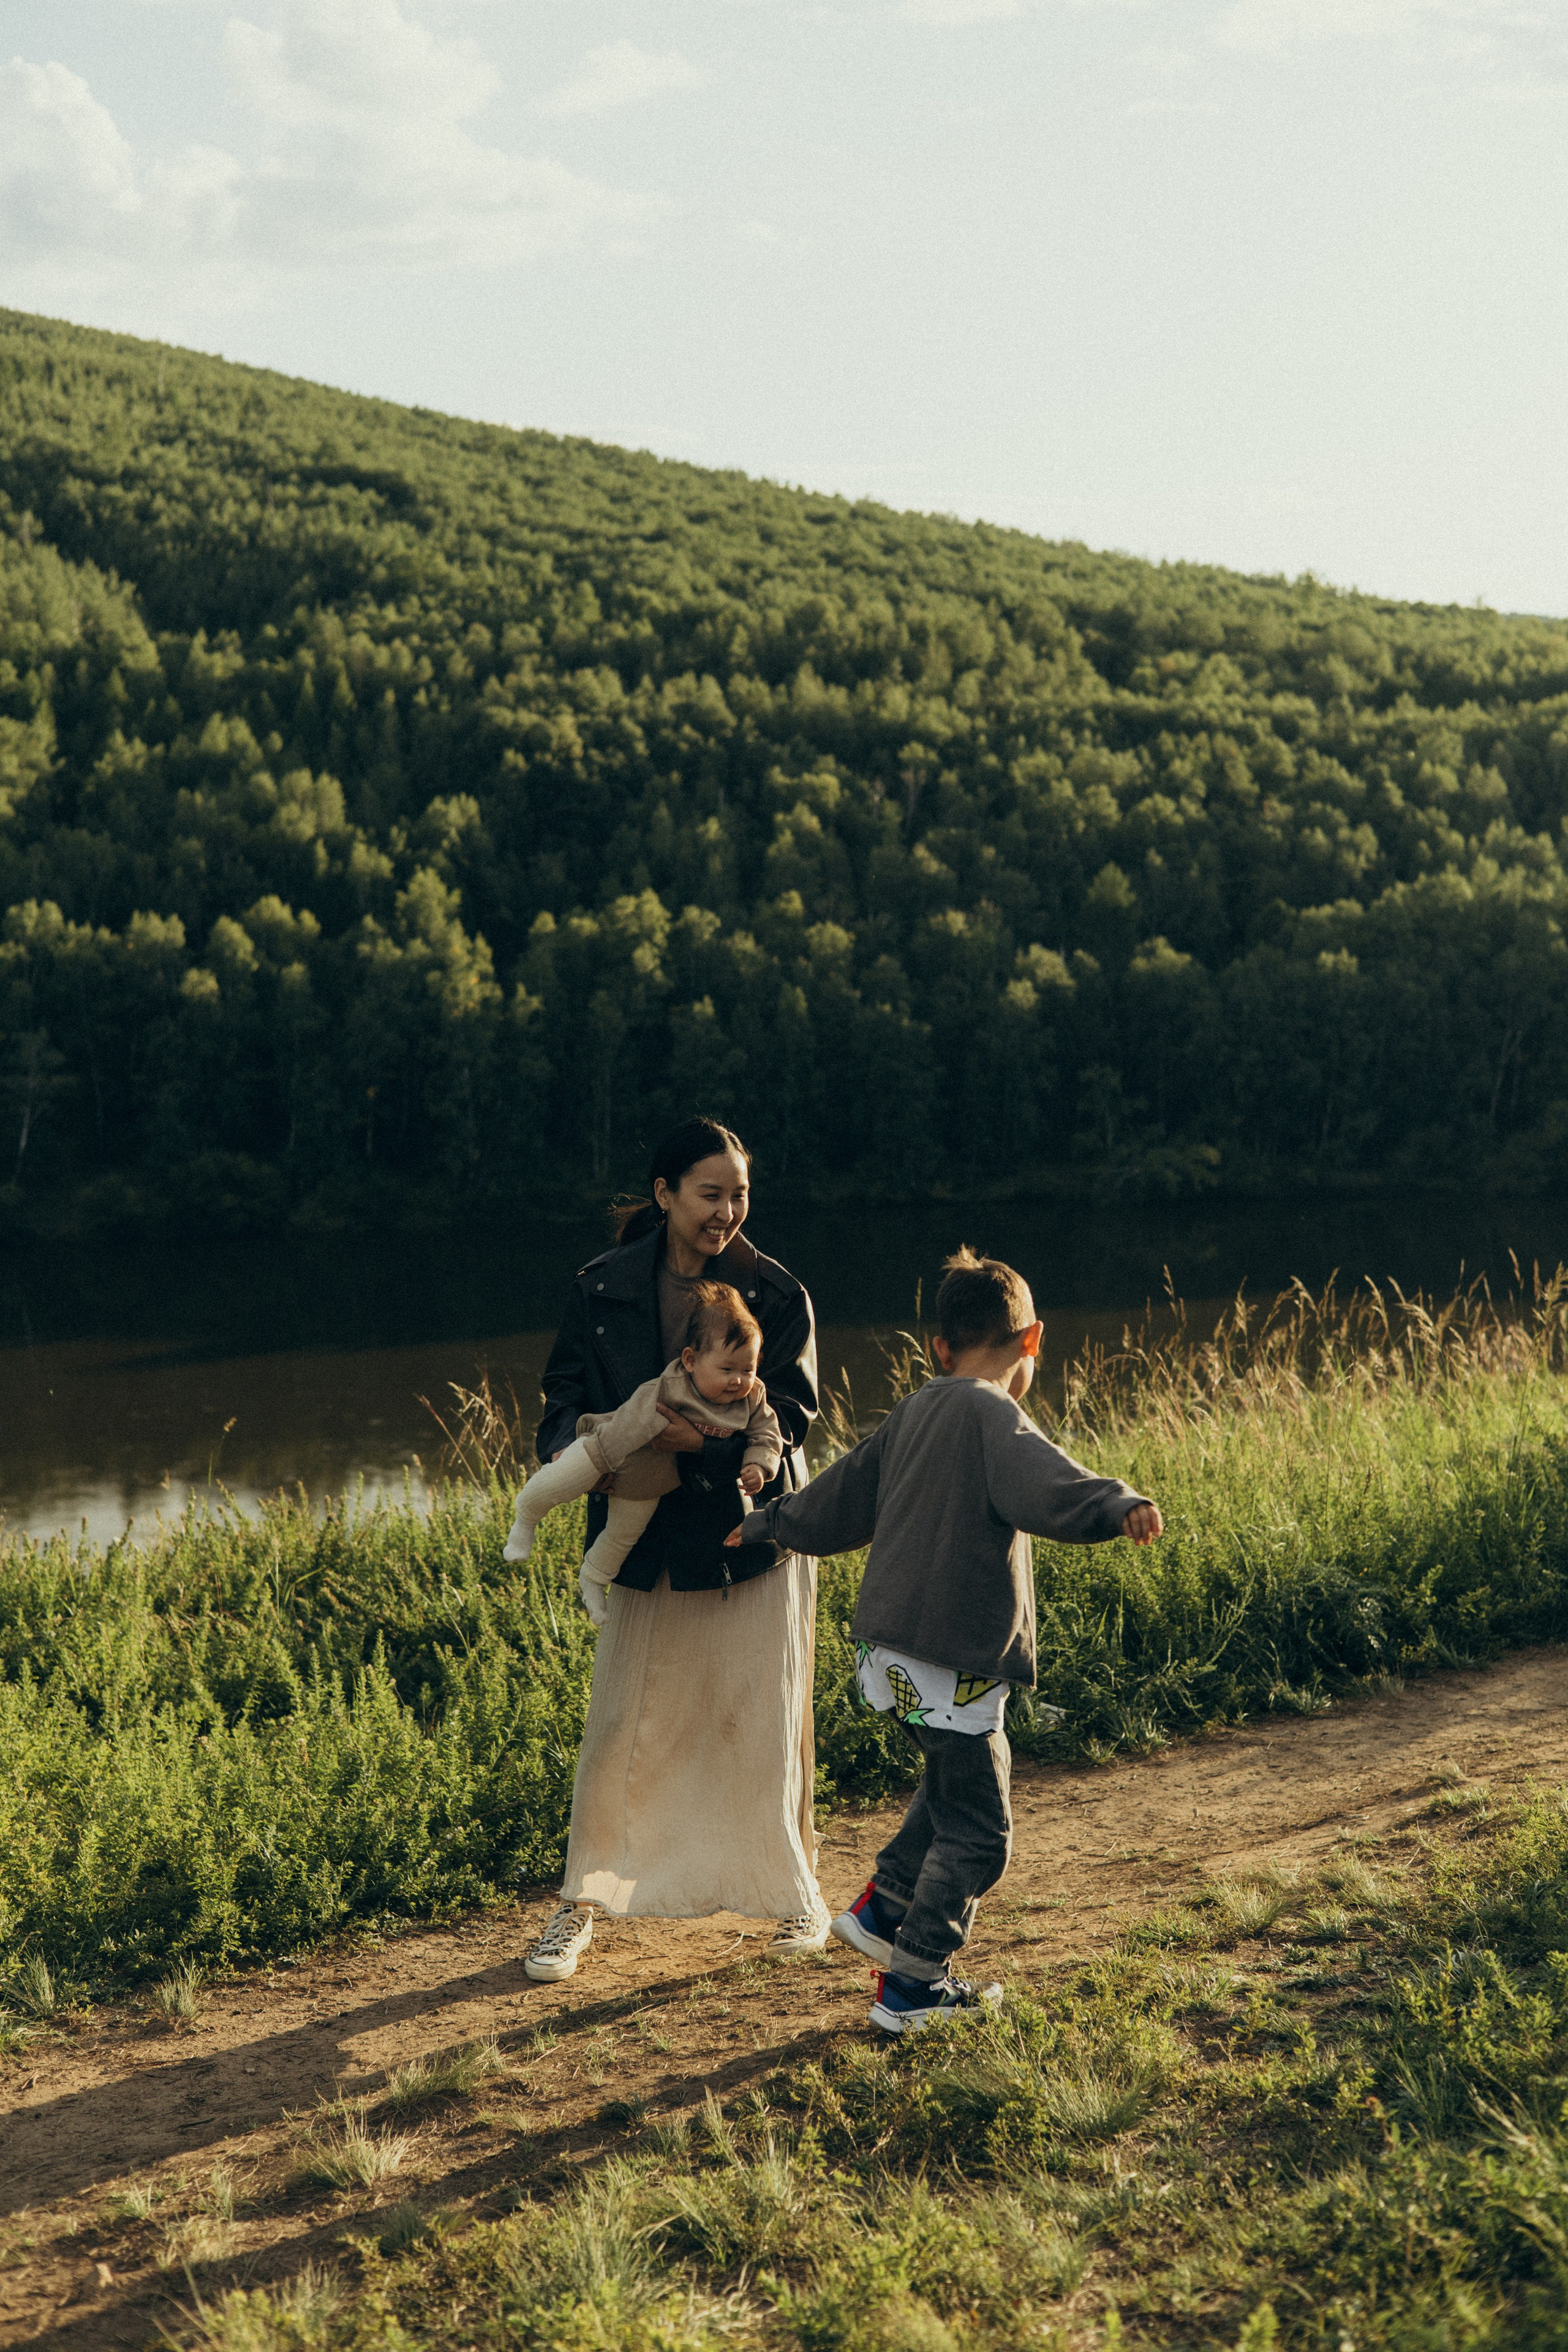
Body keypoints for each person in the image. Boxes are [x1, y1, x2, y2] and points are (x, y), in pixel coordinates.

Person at [727, 1245, 1164, 2033]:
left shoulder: (916, 1409)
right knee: (982, 1833)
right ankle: (915, 1987)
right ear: (1031, 1343)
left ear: (938, 1348)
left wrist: (770, 1522)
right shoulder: (995, 1413)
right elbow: (1049, 1484)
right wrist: (1117, 1504)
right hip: (949, 1659)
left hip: (887, 1655)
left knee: (950, 1779)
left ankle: (884, 1907)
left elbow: (842, 1494)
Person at [519, 1116, 829, 1984]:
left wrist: (713, 1453)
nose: (728, 1211)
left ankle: (797, 1892)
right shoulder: (601, 1287)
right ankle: (582, 1904)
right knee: (621, 1729)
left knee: (763, 1724)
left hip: (746, 1535)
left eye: (739, 1194)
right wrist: (563, 1459)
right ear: (664, 1195)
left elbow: (796, 1418)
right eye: (710, 1193)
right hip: (642, 1534)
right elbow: (564, 1392)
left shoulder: (775, 1294)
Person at [503, 1283, 783, 1608]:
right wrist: (599, 1461)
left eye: (748, 1369)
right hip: (607, 1451)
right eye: (727, 1369)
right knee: (557, 1483)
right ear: (691, 1361)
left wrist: (759, 1465)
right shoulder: (670, 1388)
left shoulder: (752, 1396)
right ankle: (526, 1516)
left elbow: (767, 1432)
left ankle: (593, 1580)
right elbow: (628, 1425)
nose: (738, 1380)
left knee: (622, 1537)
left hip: (651, 1483)